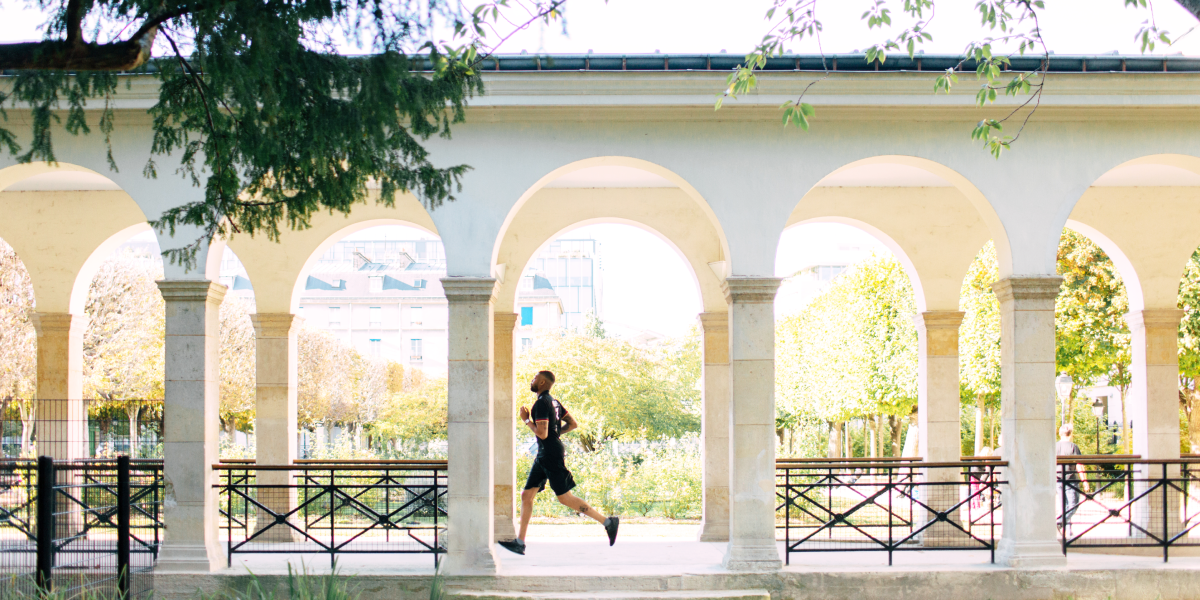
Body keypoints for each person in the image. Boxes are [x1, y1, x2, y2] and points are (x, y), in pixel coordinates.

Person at [498, 370, 619, 555]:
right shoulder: (554, 402)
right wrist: (555, 435)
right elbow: (572, 424)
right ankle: (520, 542)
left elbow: (542, 433)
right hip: (546, 453)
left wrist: (526, 421)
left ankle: (608, 522)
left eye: (535, 378)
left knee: (565, 498)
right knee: (526, 495)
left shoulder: (540, 403)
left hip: (550, 455)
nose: (532, 380)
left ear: (542, 383)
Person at [1055, 424, 1090, 536]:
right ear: (1070, 434)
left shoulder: (1054, 447)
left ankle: (1067, 531)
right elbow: (1079, 464)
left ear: (1060, 434)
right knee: (1073, 505)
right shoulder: (1073, 447)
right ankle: (1060, 522)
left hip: (1058, 479)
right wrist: (1085, 481)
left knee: (1063, 506)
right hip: (1071, 479)